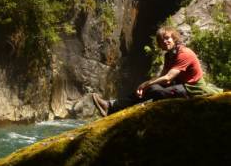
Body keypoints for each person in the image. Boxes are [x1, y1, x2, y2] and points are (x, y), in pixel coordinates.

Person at [92, 26, 223, 117]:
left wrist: (146, 85)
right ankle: (111, 106)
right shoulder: (169, 55)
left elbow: (168, 78)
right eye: (162, 40)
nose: (165, 42)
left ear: (174, 39)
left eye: (167, 38)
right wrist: (145, 86)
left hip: (193, 89)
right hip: (181, 85)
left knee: (154, 89)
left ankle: (113, 107)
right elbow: (162, 77)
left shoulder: (184, 53)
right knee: (152, 88)